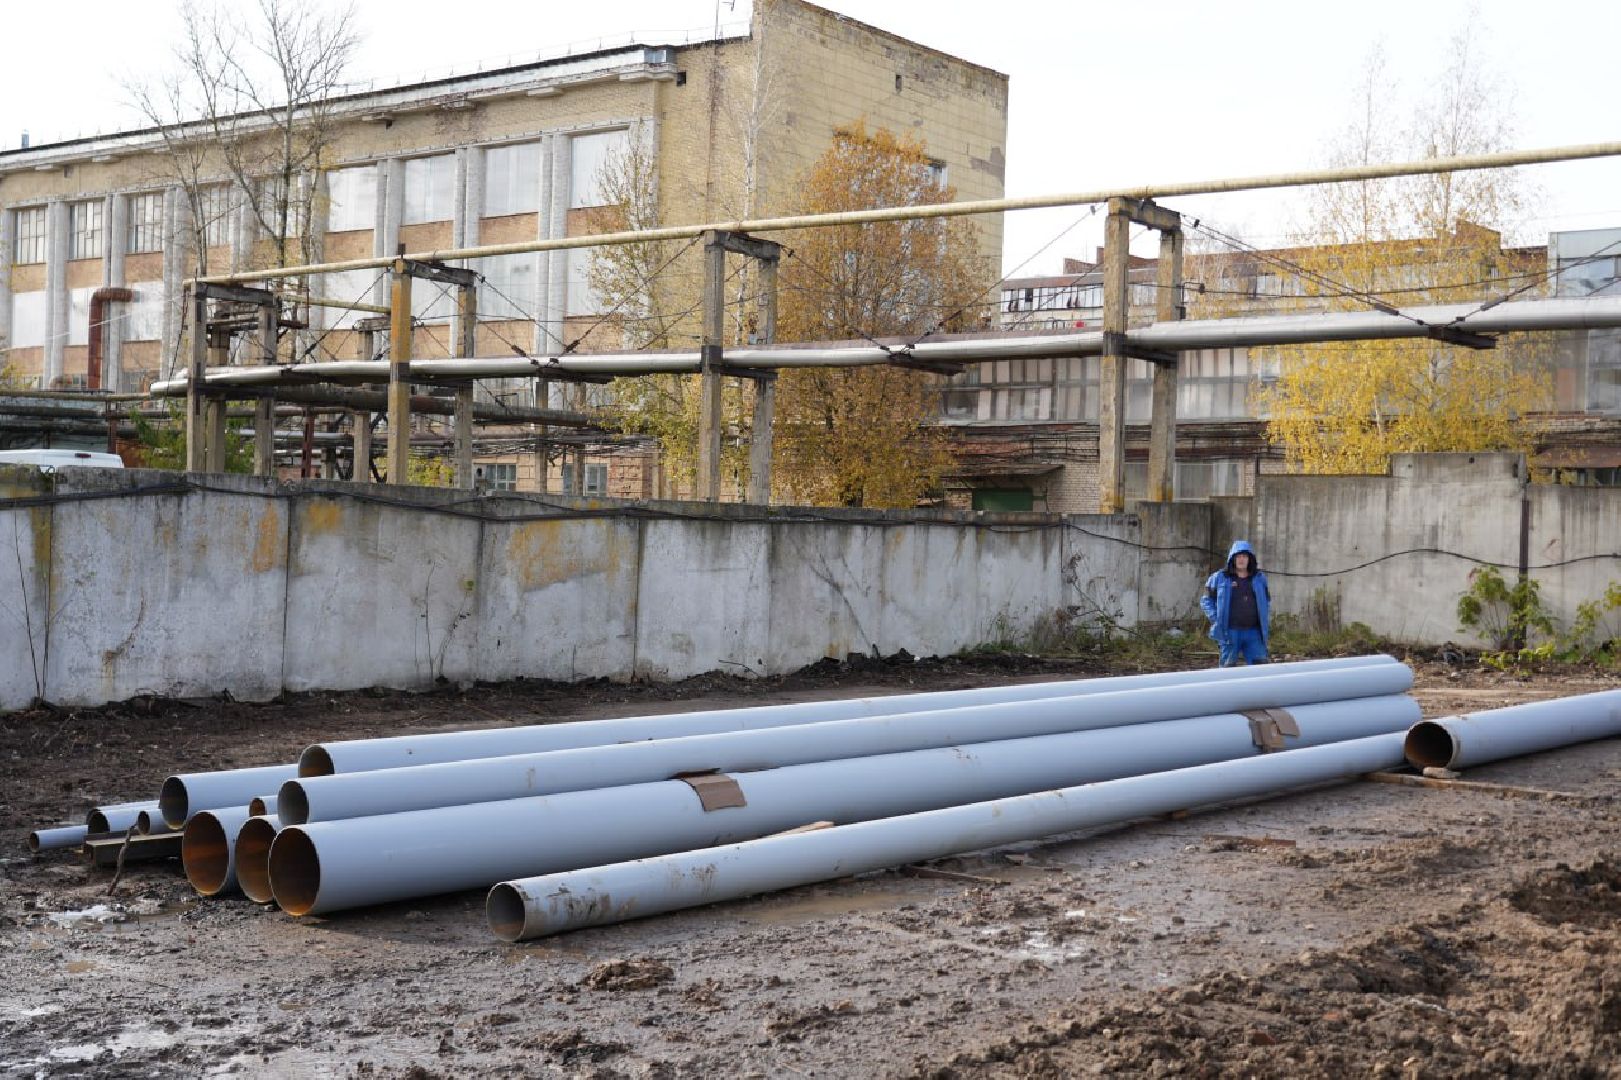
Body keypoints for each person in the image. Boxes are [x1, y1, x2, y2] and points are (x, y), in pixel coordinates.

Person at [1201, 540, 1270, 667]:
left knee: (1261, 670)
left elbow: (1267, 601)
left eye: (1244, 556)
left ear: (1250, 559)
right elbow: (1206, 600)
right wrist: (1216, 619)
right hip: (1230, 633)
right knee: (1228, 670)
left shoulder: (1259, 578)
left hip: (1254, 633)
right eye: (1238, 556)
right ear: (1232, 558)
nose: (1241, 559)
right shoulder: (1219, 578)